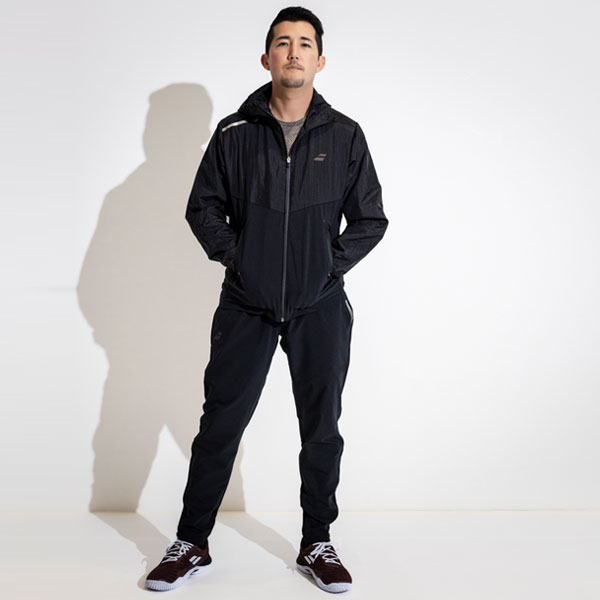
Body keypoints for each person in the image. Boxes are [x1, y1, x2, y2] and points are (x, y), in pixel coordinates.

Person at [145, 6, 388, 594]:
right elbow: (202, 207)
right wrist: (242, 260)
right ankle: (192, 541)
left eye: (305, 43)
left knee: (321, 429)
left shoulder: (345, 135)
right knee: (220, 424)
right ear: (266, 58)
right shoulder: (234, 133)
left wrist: (323, 268)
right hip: (246, 304)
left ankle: (317, 541)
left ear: (320, 61)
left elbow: (370, 219)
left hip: (319, 305)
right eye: (283, 42)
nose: (293, 51)